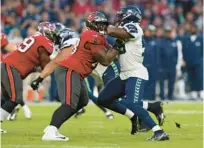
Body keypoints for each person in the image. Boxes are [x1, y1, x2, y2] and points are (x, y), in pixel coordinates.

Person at [30, 12, 121, 141]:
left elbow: (112, 56)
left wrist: (119, 48)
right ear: (93, 25)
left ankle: (53, 126)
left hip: (78, 72)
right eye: (99, 24)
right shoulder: (91, 35)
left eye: (103, 24)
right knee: (69, 104)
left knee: (82, 101)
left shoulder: (98, 37)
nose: (102, 26)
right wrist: (118, 46)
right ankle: (51, 130)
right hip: (69, 70)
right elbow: (106, 60)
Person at [97, 6, 169, 141]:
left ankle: (158, 132)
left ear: (129, 16)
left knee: (132, 103)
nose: (118, 18)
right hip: (125, 75)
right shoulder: (122, 33)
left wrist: (103, 26)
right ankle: (149, 108)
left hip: (136, 73)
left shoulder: (134, 27)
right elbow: (109, 58)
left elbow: (113, 31)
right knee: (104, 99)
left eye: (121, 15)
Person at [1, 22, 57, 133]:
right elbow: (46, 66)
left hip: (9, 67)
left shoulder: (36, 38)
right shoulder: (43, 42)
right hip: (11, 68)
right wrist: (58, 62)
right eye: (51, 33)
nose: (53, 36)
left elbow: (39, 65)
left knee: (6, 99)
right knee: (15, 98)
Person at [1, 33, 32, 122]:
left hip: (3, 67)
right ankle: (16, 110)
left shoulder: (1, 37)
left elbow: (13, 49)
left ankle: (21, 109)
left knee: (9, 93)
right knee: (7, 94)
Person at [181, 23, 203, 99]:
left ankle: (200, 91)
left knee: (199, 77)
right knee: (191, 77)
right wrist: (183, 59)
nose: (193, 29)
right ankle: (192, 91)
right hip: (188, 62)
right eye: (192, 28)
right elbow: (183, 50)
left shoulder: (201, 39)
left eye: (194, 28)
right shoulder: (186, 39)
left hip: (198, 62)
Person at [159, 26, 178, 100]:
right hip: (163, 66)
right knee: (162, 82)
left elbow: (176, 54)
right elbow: (159, 55)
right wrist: (160, 65)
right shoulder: (161, 42)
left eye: (169, 32)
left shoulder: (174, 42)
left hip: (172, 66)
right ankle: (162, 96)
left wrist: (175, 64)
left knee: (171, 82)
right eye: (167, 32)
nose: (168, 34)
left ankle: (170, 95)